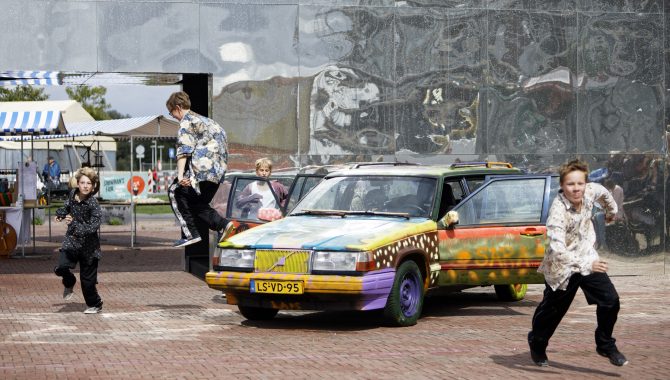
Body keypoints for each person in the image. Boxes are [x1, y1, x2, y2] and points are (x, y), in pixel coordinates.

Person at [528, 159, 628, 367]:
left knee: (610, 300)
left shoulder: (591, 190)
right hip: (562, 266)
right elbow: (558, 250)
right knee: (552, 312)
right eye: (570, 184)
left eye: (580, 183)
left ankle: (605, 344)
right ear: (563, 186)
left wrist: (611, 212)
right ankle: (537, 343)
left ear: (585, 183)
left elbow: (604, 194)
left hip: (587, 256)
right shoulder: (557, 211)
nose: (576, 189)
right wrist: (586, 265)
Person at [166, 91, 233, 247]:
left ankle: (190, 234)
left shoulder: (187, 121)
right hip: (217, 174)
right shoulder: (210, 122)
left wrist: (181, 175)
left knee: (174, 191)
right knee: (197, 203)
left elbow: (184, 150)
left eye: (171, 113)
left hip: (202, 171)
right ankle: (222, 225)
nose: (173, 117)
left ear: (178, 107)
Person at [53, 167, 104, 314]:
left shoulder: (93, 204)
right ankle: (69, 282)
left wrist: (73, 223)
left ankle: (95, 304)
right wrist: (61, 214)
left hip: (89, 248)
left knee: (88, 282)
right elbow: (66, 207)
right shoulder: (72, 195)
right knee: (61, 268)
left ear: (93, 186)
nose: (86, 186)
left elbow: (93, 227)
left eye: (89, 183)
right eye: (83, 182)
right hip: (72, 242)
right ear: (78, 183)